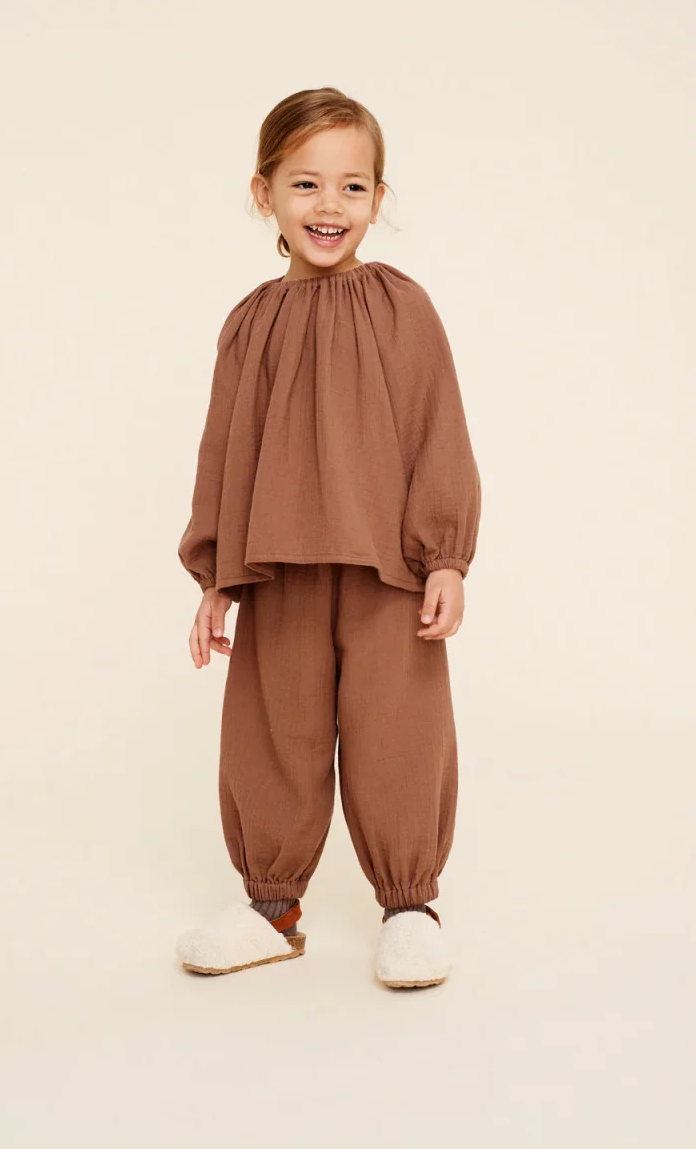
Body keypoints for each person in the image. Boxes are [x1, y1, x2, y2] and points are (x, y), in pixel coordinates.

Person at [174, 87, 482, 988]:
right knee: (273, 733)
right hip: (278, 567)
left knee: (399, 732)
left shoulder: (402, 308)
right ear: (263, 193)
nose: (329, 206)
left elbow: (437, 427)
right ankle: (272, 909)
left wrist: (447, 556)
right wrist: (215, 575)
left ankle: (410, 906)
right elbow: (225, 449)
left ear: (378, 198)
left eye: (352, 187)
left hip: (390, 568)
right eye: (305, 183)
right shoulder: (251, 323)